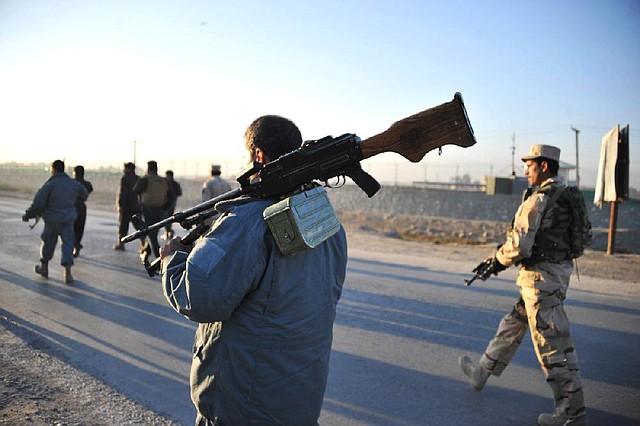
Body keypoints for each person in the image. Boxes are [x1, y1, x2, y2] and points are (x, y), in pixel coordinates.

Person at [159, 115, 348, 425]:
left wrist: (172, 260)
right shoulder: (326, 222)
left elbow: (200, 297)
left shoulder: (247, 221)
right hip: (298, 401)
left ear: (258, 156)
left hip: (244, 406)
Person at [458, 144, 588, 426]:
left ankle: (572, 416)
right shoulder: (563, 195)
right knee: (513, 323)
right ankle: (482, 371)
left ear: (543, 166)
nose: (525, 170)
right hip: (551, 277)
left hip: (540, 282)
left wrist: (496, 261)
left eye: (530, 166)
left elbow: (519, 245)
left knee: (553, 349)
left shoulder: (539, 199)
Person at [22, 159, 88, 284]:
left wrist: (28, 215)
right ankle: (67, 273)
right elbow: (84, 194)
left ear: (53, 169)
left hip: (52, 220)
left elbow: (38, 203)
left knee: (48, 243)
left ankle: (44, 268)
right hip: (68, 219)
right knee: (68, 245)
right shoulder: (73, 184)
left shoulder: (50, 185)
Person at [133, 160, 174, 263]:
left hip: (148, 210)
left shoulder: (145, 180)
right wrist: (165, 208)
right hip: (160, 211)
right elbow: (172, 197)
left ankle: (159, 259)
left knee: (151, 235)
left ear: (148, 168)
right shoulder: (164, 181)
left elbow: (135, 191)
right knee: (153, 234)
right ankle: (146, 253)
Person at [113, 162, 140, 251]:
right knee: (139, 226)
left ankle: (121, 244)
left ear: (128, 169)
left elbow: (122, 193)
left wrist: (120, 205)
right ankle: (144, 244)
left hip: (126, 206)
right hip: (136, 206)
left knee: (123, 227)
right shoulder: (138, 178)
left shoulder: (125, 179)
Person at [72, 165, 93, 257]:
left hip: (72, 206)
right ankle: (77, 245)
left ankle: (74, 246)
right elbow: (90, 190)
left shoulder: (72, 183)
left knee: (71, 228)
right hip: (82, 207)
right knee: (79, 228)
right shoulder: (87, 184)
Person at [163, 170, 182, 240]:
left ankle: (169, 231)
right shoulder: (175, 184)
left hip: (167, 203)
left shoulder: (166, 183)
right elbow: (179, 193)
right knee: (169, 218)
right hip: (173, 203)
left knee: (166, 218)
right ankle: (168, 232)